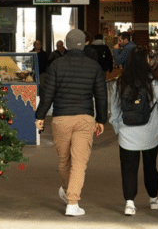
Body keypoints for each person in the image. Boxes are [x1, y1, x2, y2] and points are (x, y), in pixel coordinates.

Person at [35, 29, 107, 216]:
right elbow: (101, 96)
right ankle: (72, 202)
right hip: (85, 118)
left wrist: (40, 116)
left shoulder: (56, 65)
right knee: (79, 162)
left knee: (64, 160)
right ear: (84, 44)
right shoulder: (94, 67)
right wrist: (101, 120)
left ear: (66, 45)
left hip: (61, 118)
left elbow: (47, 93)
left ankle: (71, 198)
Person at [110, 46, 158, 216]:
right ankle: (153, 198)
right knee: (151, 166)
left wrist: (118, 129)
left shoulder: (120, 83)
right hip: (151, 134)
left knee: (129, 168)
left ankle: (129, 203)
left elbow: (114, 111)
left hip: (127, 135)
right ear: (146, 61)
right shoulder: (156, 83)